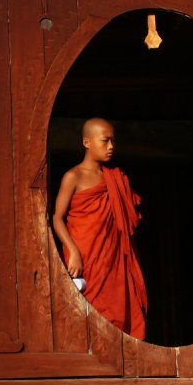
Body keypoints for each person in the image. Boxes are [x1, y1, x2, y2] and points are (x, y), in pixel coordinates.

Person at [52, 118, 148, 339]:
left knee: (118, 309)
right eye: (105, 141)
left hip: (113, 257)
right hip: (85, 255)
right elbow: (57, 218)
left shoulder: (114, 178)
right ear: (87, 142)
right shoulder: (73, 176)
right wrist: (73, 251)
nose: (111, 146)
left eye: (113, 140)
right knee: (87, 313)